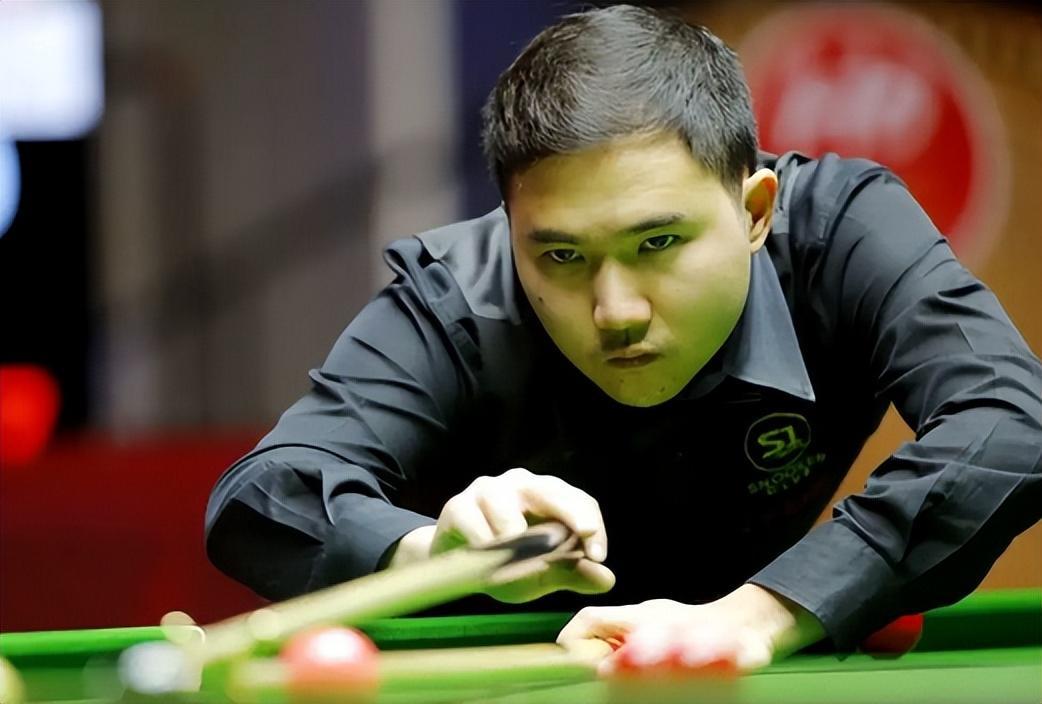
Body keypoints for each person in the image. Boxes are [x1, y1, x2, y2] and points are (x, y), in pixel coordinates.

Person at [205, 5, 1042, 669]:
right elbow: (263, 496)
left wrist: (759, 615)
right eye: (562, 256)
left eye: (658, 242)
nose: (616, 311)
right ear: (512, 230)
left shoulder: (841, 236)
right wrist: (432, 550)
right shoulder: (462, 298)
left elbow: (1013, 421)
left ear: (754, 211)